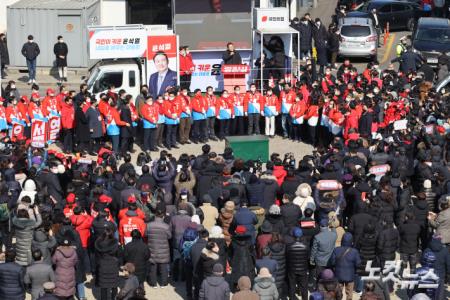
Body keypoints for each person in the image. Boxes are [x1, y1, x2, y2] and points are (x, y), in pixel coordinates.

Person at [330, 232, 361, 300]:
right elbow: (358, 264)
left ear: (342, 240)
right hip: (350, 276)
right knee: (349, 294)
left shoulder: (336, 250)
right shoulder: (354, 251)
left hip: (338, 275)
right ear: (351, 241)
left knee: (338, 294)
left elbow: (332, 262)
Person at [146, 209, 172, 288]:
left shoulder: (149, 225)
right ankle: (163, 283)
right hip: (163, 248)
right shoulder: (166, 226)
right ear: (163, 216)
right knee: (163, 266)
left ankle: (153, 283)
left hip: (152, 247)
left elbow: (145, 234)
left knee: (153, 266)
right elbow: (170, 236)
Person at [94, 228, 120, 300]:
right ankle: (113, 298)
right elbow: (119, 255)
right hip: (113, 265)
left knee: (103, 286)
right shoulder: (115, 243)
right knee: (114, 285)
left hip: (102, 264)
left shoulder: (99, 244)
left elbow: (96, 256)